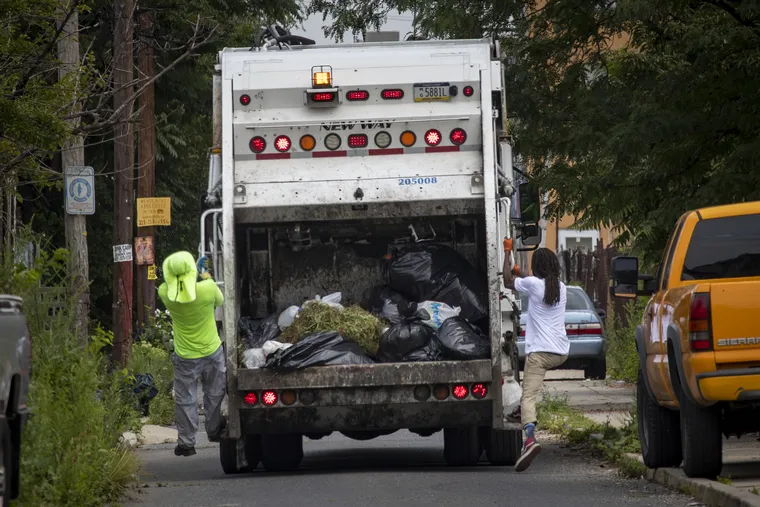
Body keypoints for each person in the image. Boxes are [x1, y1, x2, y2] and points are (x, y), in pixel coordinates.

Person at [502, 240, 569, 472]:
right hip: (561, 352)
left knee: (527, 397)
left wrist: (507, 252)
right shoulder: (561, 287)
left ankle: (529, 439)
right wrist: (521, 273)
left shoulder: (532, 284)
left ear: (537, 266)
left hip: (540, 354)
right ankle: (521, 414)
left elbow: (507, 282)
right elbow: (530, 283)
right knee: (528, 394)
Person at [158, 251, 226, 457]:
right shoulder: (207, 289)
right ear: (192, 270)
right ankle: (214, 431)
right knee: (214, 393)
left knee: (186, 398)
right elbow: (220, 301)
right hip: (212, 351)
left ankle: (187, 443)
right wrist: (204, 274)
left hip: (186, 356)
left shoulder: (165, 293)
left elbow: (172, 286)